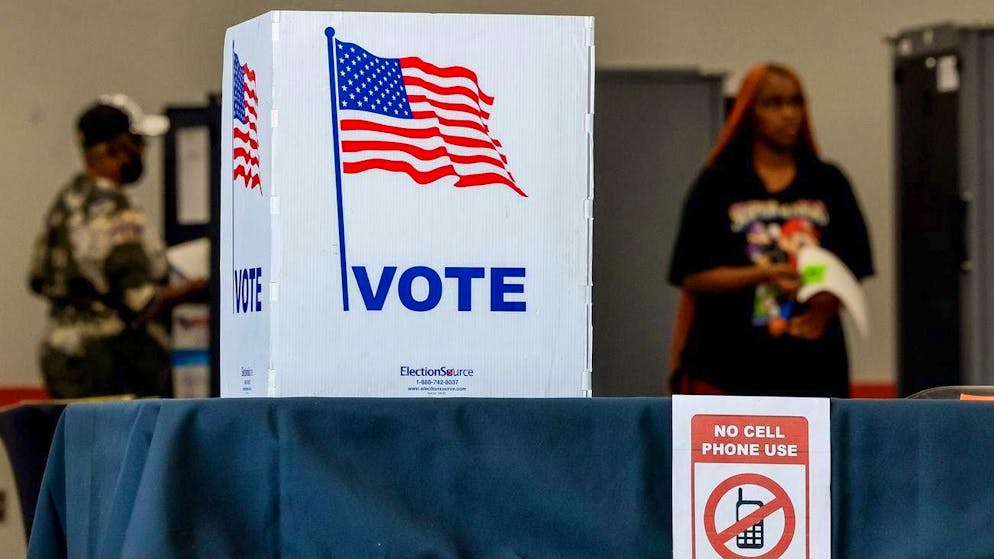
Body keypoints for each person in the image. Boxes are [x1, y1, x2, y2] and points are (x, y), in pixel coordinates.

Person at [667, 63, 874, 398]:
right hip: (730, 365)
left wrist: (825, 306)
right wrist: (763, 275)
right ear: (750, 113)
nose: (788, 114)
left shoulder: (828, 182)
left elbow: (856, 266)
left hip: (814, 366)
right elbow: (691, 275)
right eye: (774, 104)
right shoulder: (718, 183)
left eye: (796, 102)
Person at [28, 95, 207, 399]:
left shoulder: (67, 201)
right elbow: (142, 301)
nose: (143, 152)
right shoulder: (114, 206)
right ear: (118, 147)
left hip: (63, 356)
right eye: (139, 143)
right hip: (109, 365)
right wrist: (202, 288)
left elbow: (37, 277)